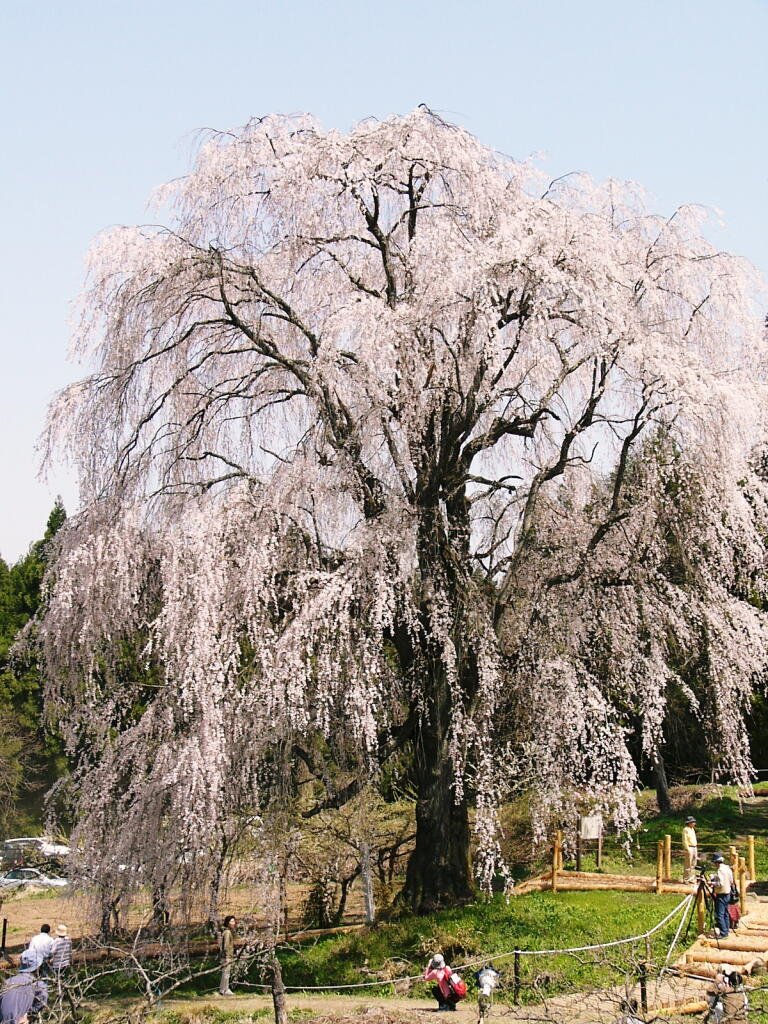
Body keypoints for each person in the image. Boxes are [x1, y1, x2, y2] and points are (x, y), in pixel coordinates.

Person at [0, 949, 49, 1024]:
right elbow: (43, 997)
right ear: (37, 968)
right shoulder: (37, 984)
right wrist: (29, 1015)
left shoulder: (7, 982)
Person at [711, 853, 735, 939]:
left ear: (716, 862)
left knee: (719, 914)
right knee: (725, 913)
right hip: (728, 893)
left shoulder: (720, 870)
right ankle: (726, 930)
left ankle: (723, 933)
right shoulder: (727, 868)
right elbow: (731, 881)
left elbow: (720, 884)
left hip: (721, 893)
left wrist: (711, 883)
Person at [218, 914, 236, 996]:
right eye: (231, 921)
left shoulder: (226, 931)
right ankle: (224, 989)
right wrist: (226, 957)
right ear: (227, 923)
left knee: (226, 973)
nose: (233, 923)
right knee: (226, 973)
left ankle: (223, 989)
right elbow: (226, 945)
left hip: (228, 956)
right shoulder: (227, 932)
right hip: (226, 956)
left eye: (234, 921)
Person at [682, 815, 698, 883]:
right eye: (693, 822)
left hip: (694, 847)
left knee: (694, 864)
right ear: (689, 823)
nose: (694, 823)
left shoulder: (692, 829)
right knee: (688, 864)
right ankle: (686, 879)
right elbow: (684, 840)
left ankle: (691, 878)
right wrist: (687, 849)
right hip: (689, 847)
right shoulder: (685, 829)